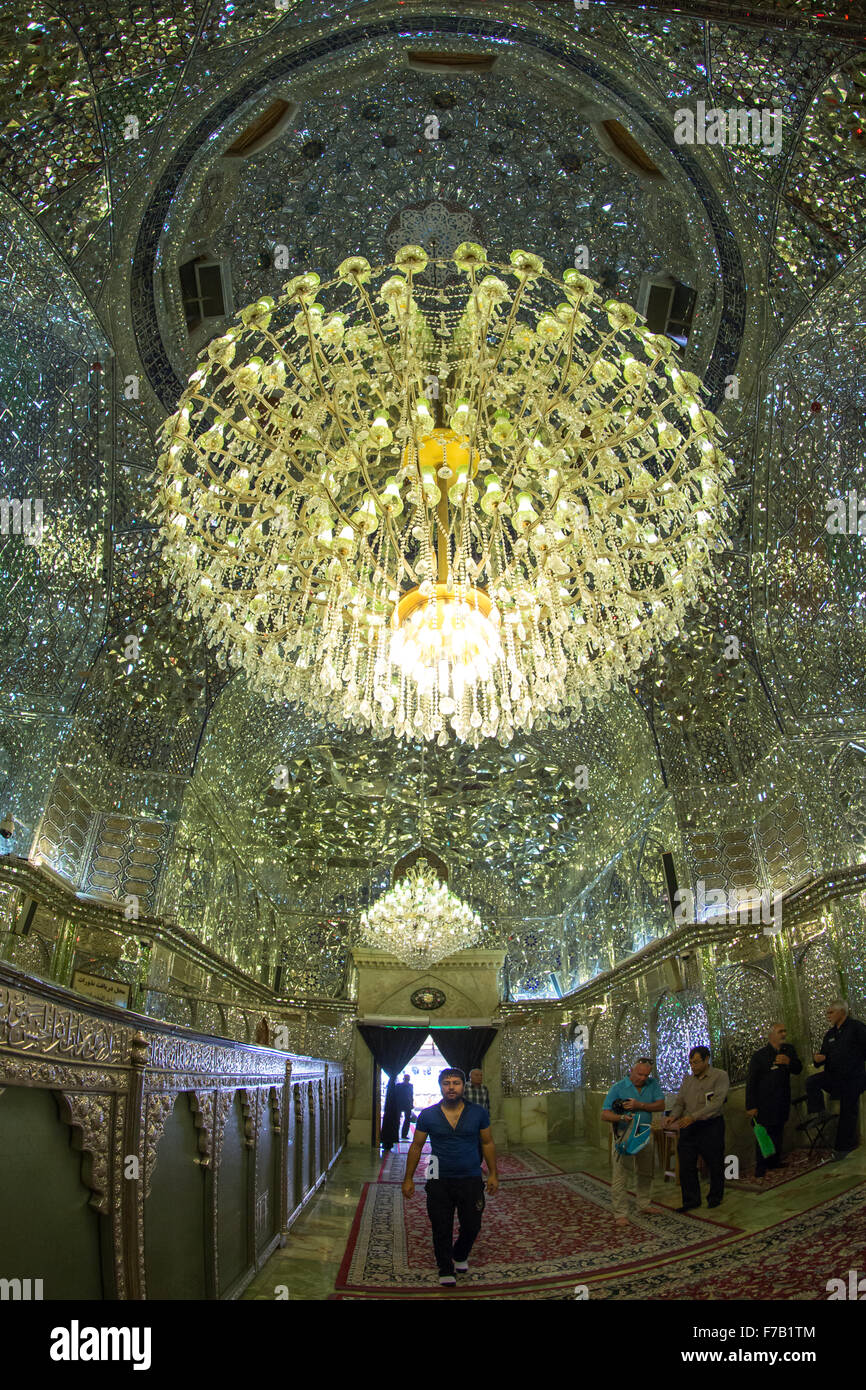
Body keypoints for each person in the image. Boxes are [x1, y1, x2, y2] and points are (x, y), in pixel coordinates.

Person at [402, 1067, 499, 1286]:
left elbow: (487, 1142)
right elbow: (416, 1146)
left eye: (456, 1083)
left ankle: (460, 1254)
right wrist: (408, 1178)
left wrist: (493, 1173)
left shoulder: (478, 1113)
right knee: (440, 1225)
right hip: (438, 1177)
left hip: (470, 1176)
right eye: (447, 1083)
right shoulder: (428, 1115)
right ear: (440, 1086)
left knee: (472, 1224)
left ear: (463, 1086)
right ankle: (445, 1267)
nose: (451, 1087)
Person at [664, 1046, 729, 1211]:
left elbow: (716, 1103)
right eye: (691, 1062)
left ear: (707, 1060)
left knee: (714, 1162)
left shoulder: (719, 1076)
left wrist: (693, 1117)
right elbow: (680, 1102)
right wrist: (673, 1115)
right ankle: (691, 1200)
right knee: (686, 1164)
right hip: (689, 1126)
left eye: (696, 1062)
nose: (693, 1066)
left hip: (710, 1124)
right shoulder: (688, 1080)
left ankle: (715, 1197)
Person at [601, 1058, 665, 1225]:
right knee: (621, 1174)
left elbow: (660, 1105)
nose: (643, 1078)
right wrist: (621, 1116)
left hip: (644, 1132)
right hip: (624, 1134)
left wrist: (640, 1105)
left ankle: (643, 1204)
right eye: (639, 1074)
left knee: (646, 1171)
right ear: (631, 1070)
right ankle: (620, 1212)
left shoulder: (653, 1084)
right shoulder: (618, 1088)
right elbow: (604, 1114)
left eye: (646, 1075)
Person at [806, 1001, 866, 1158]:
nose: (828, 1016)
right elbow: (821, 1058)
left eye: (831, 1012)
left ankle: (842, 1149)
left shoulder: (856, 1028)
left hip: (852, 1078)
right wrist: (818, 1059)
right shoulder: (830, 1035)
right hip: (834, 1077)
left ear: (841, 1012)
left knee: (847, 1111)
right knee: (812, 1082)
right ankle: (820, 1112)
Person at [745, 1023, 803, 1176]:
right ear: (771, 1035)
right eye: (780, 1032)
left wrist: (788, 1062)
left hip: (782, 1099)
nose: (784, 1034)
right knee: (764, 1134)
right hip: (764, 1102)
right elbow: (751, 1082)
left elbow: (798, 1069)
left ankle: (774, 1162)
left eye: (785, 1031)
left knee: (778, 1131)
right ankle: (761, 1166)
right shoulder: (760, 1056)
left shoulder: (788, 1050)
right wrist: (751, 1105)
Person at [394, 1072, 415, 1141]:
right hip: (401, 1104)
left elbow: (411, 1095)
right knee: (399, 1120)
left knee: (406, 1120)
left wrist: (411, 1103)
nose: (407, 1080)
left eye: (407, 1079)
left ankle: (402, 1135)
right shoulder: (399, 1085)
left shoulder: (408, 1086)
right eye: (406, 1079)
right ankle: (400, 1135)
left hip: (404, 1104)